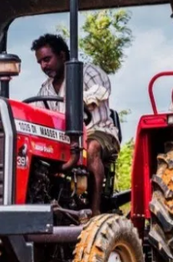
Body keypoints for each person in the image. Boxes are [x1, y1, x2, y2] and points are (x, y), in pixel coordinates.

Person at [31, 33, 120, 215]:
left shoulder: (88, 72)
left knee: (92, 147)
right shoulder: (45, 89)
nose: (43, 66)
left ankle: (95, 211)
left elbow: (101, 90)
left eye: (47, 59)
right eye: (40, 62)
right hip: (63, 139)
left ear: (62, 55)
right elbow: (38, 113)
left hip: (98, 131)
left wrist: (77, 102)